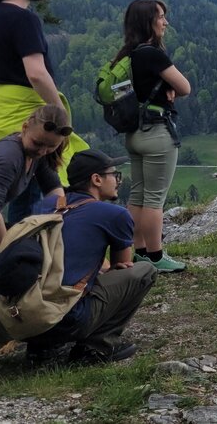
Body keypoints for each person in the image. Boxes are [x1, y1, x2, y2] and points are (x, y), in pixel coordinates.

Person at [0, 0, 88, 223]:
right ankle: (25, 256)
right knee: (31, 193)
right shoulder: (24, 18)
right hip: (28, 113)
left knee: (7, 182)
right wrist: (58, 112)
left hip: (0, 110)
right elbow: (36, 73)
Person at [23, 149, 158, 365]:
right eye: (114, 174)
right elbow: (122, 267)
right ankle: (96, 347)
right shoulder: (114, 214)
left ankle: (41, 348)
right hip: (68, 319)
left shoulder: (43, 207)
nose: (117, 180)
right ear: (96, 179)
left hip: (26, 316)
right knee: (143, 272)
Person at [115, 0, 190, 273]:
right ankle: (157, 257)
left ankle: (139, 251)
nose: (165, 22)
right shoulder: (153, 54)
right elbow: (185, 87)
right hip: (158, 133)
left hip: (134, 133)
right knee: (155, 199)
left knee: (137, 195)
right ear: (149, 22)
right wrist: (171, 91)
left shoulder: (127, 55)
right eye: (161, 17)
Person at [0, 105, 69, 255]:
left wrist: (61, 214)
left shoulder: (37, 152)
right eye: (37, 143)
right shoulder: (8, 158)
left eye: (51, 146)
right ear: (24, 128)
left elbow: (53, 187)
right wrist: (6, 256)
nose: (43, 151)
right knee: (29, 258)